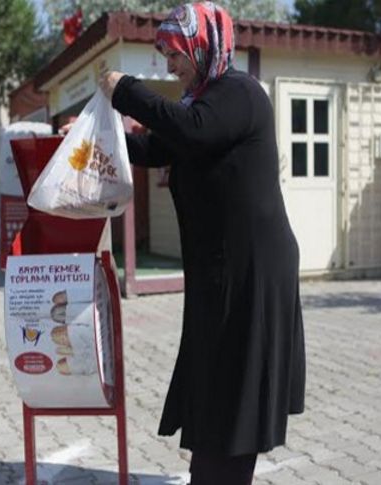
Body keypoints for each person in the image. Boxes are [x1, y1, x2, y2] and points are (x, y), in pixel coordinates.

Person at [97, 3, 306, 484]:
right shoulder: (202, 101)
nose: (169, 65)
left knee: (233, 381)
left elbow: (191, 131)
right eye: (165, 55)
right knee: (216, 376)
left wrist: (125, 92)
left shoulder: (240, 94)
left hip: (252, 271)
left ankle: (221, 475)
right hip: (220, 268)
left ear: (204, 44)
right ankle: (212, 471)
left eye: (175, 53)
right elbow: (154, 147)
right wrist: (93, 139)